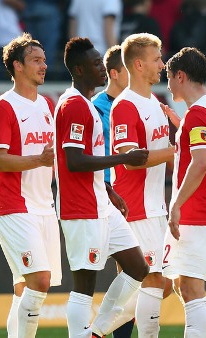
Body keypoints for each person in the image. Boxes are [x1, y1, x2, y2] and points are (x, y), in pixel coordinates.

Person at [54, 37, 150, 338]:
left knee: (139, 267)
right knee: (84, 287)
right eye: (96, 64)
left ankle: (95, 332)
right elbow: (74, 161)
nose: (103, 68)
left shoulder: (83, 104)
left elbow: (86, 158)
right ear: (80, 70)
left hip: (100, 203)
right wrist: (124, 158)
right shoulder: (74, 105)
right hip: (81, 209)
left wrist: (107, 189)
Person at [0, 32, 61, 338]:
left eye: (44, 60)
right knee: (39, 281)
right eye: (35, 60)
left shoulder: (45, 104)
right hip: (14, 206)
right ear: (17, 65)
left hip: (44, 206)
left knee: (23, 288)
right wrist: (38, 161)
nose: (44, 66)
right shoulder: (2, 108)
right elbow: (0, 161)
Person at [110, 32, 174, 337]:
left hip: (156, 207)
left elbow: (167, 156)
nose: (162, 64)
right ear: (138, 64)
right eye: (157, 58)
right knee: (153, 281)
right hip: (135, 207)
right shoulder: (125, 106)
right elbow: (130, 158)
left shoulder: (156, 102)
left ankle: (97, 328)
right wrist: (177, 150)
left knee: (166, 283)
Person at [162, 47, 206, 337]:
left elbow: (200, 163)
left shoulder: (198, 113)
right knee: (181, 284)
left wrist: (175, 203)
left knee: (190, 287)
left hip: (196, 211)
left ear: (180, 76)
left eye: (168, 77)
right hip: (204, 207)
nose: (167, 85)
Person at [91, 44, 136, 338]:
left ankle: (99, 332)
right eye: (129, 68)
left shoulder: (142, 103)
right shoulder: (96, 107)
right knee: (130, 272)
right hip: (106, 196)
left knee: (138, 274)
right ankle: (94, 331)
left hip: (135, 193)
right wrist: (106, 187)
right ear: (114, 73)